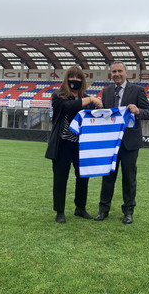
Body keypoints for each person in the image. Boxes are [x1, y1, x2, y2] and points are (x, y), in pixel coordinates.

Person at [94, 61, 149, 224]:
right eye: (114, 72)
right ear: (110, 74)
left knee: (129, 178)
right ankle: (103, 210)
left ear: (126, 73)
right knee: (108, 177)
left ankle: (128, 212)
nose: (117, 74)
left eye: (119, 71)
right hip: (110, 143)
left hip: (129, 143)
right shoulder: (107, 91)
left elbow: (148, 113)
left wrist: (138, 110)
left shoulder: (138, 90)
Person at [45, 65, 103, 223]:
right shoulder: (58, 96)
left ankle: (80, 208)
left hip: (81, 146)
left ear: (82, 80)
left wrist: (100, 107)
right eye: (72, 77)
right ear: (66, 78)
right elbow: (66, 107)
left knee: (83, 178)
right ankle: (60, 211)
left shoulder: (86, 97)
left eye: (78, 78)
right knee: (60, 179)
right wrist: (91, 100)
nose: (75, 80)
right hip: (61, 145)